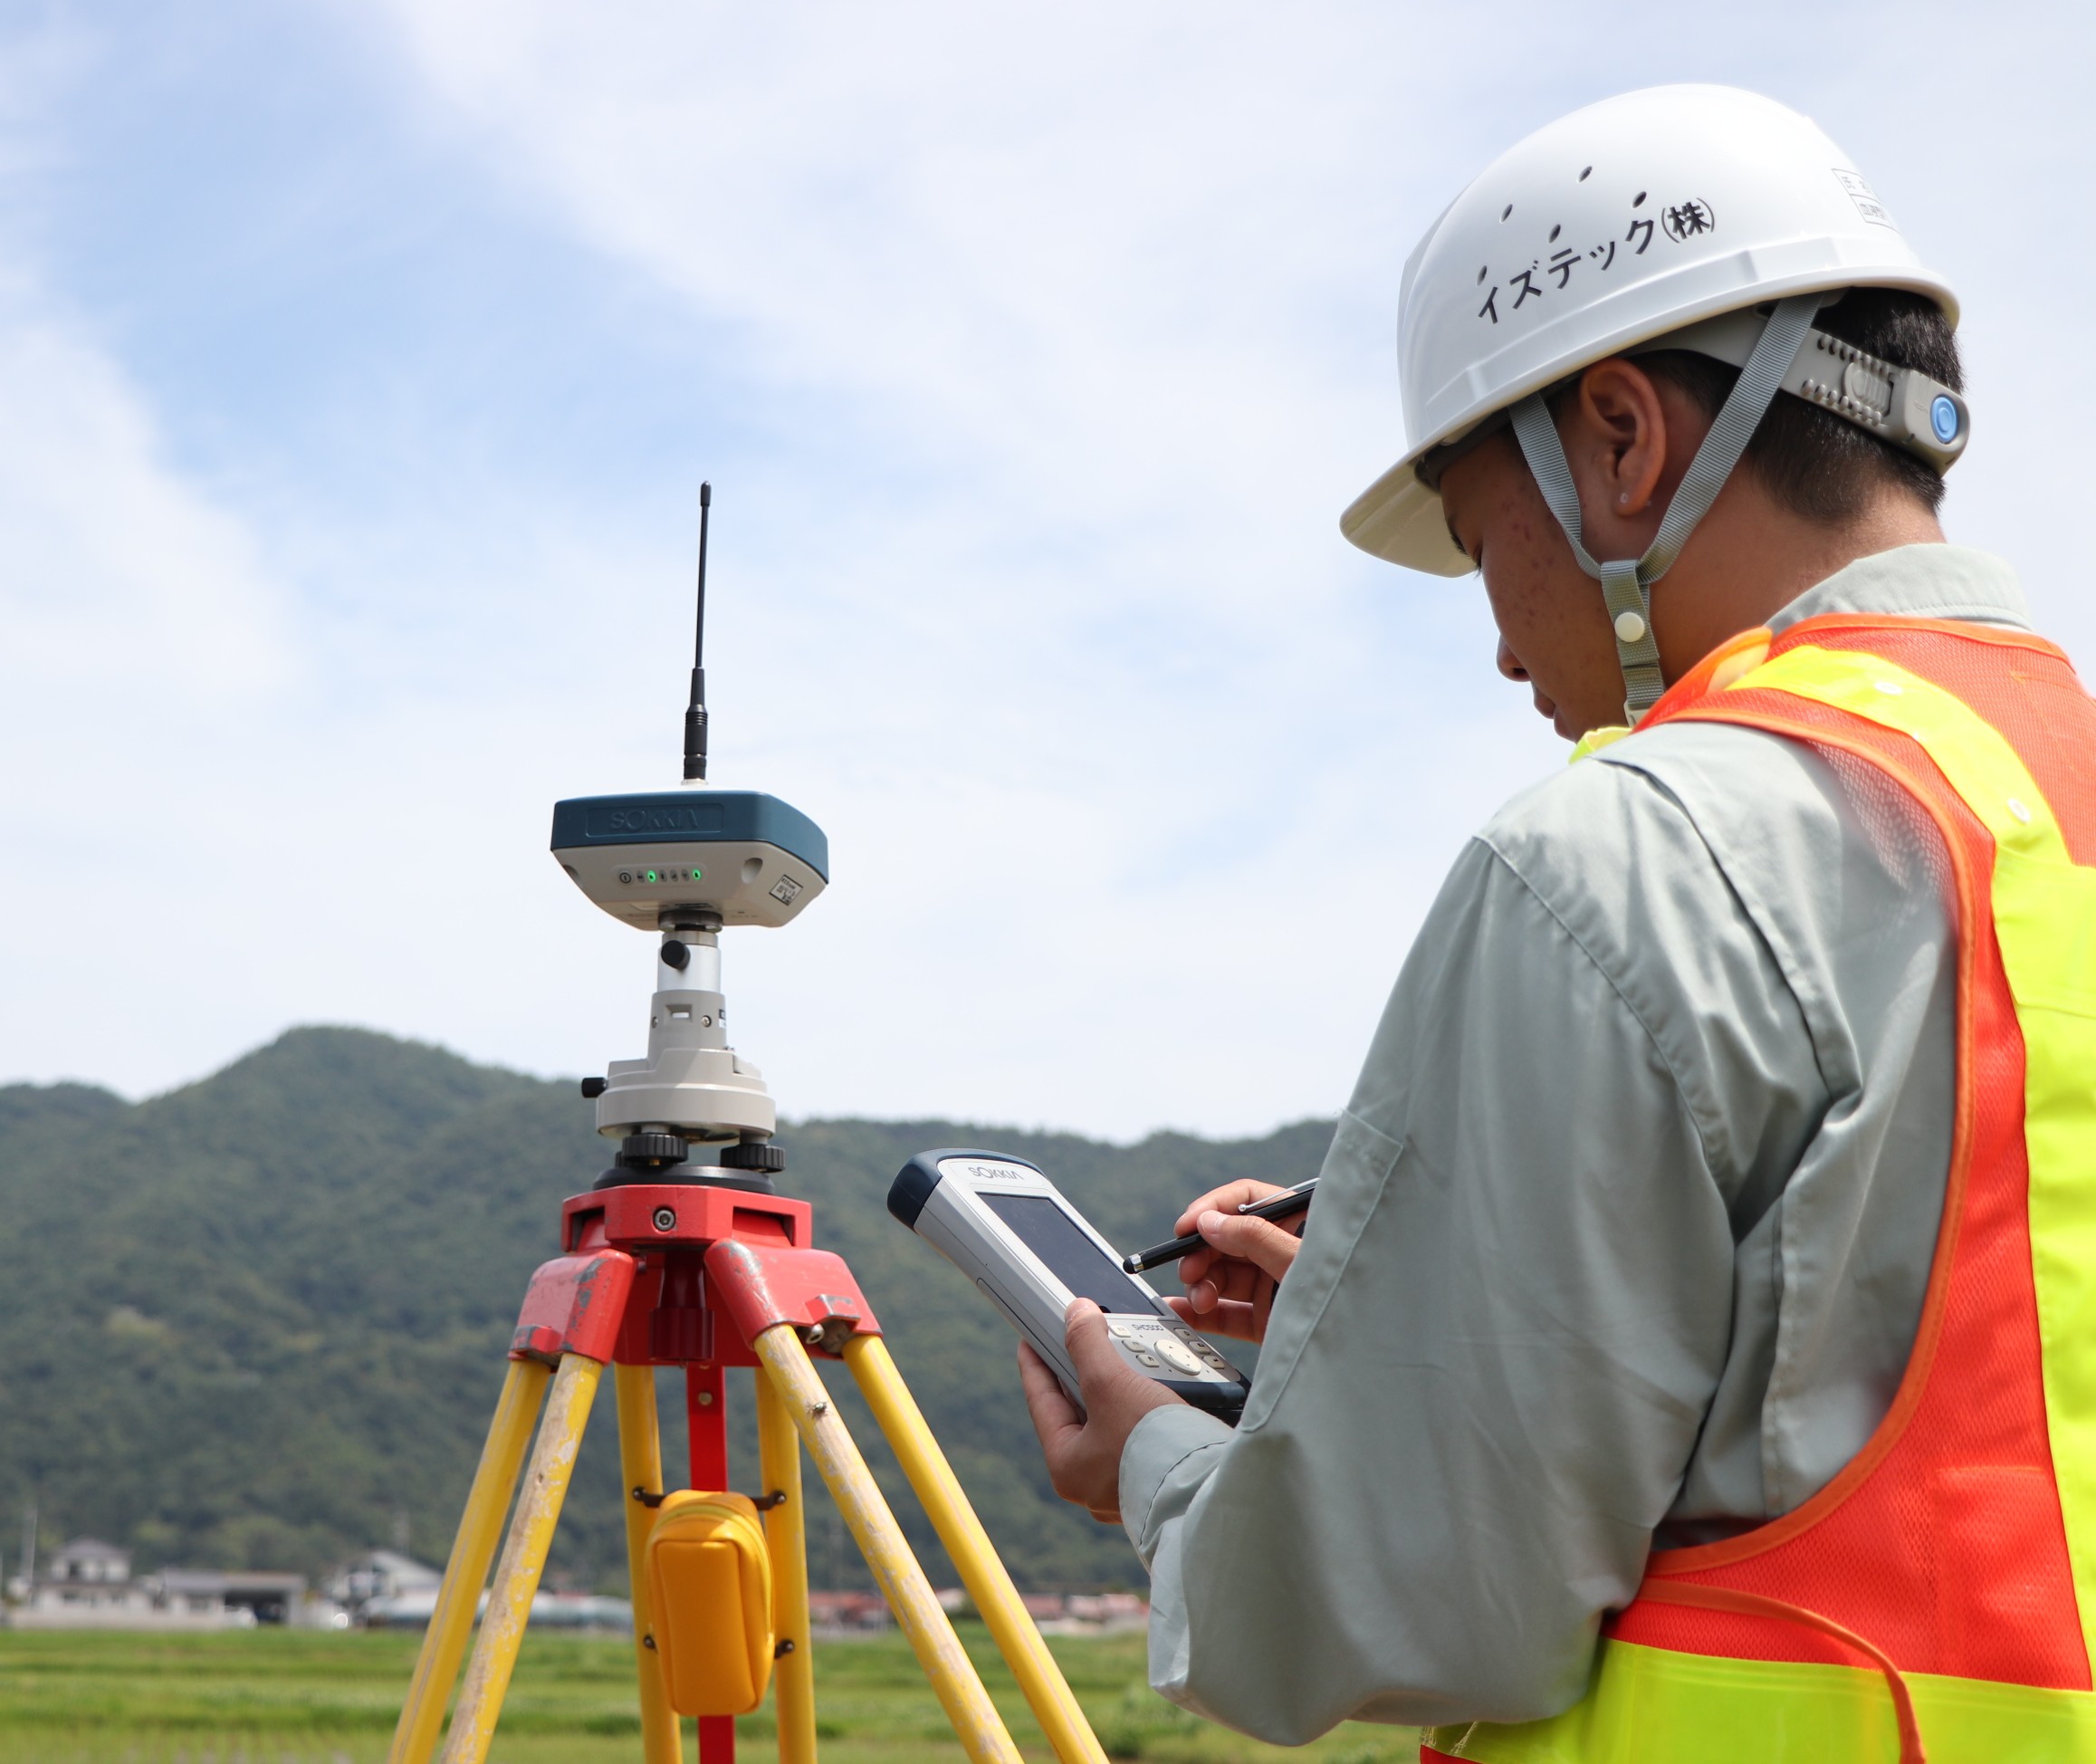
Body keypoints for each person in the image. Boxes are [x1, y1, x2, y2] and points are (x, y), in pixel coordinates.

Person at [1018, 85, 2096, 1761]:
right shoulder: (2043, 808)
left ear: (1618, 439)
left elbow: (1401, 1609)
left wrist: (1149, 1463)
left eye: (1475, 538)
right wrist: (1422, 1313)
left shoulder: (1632, 854)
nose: (1506, 649)